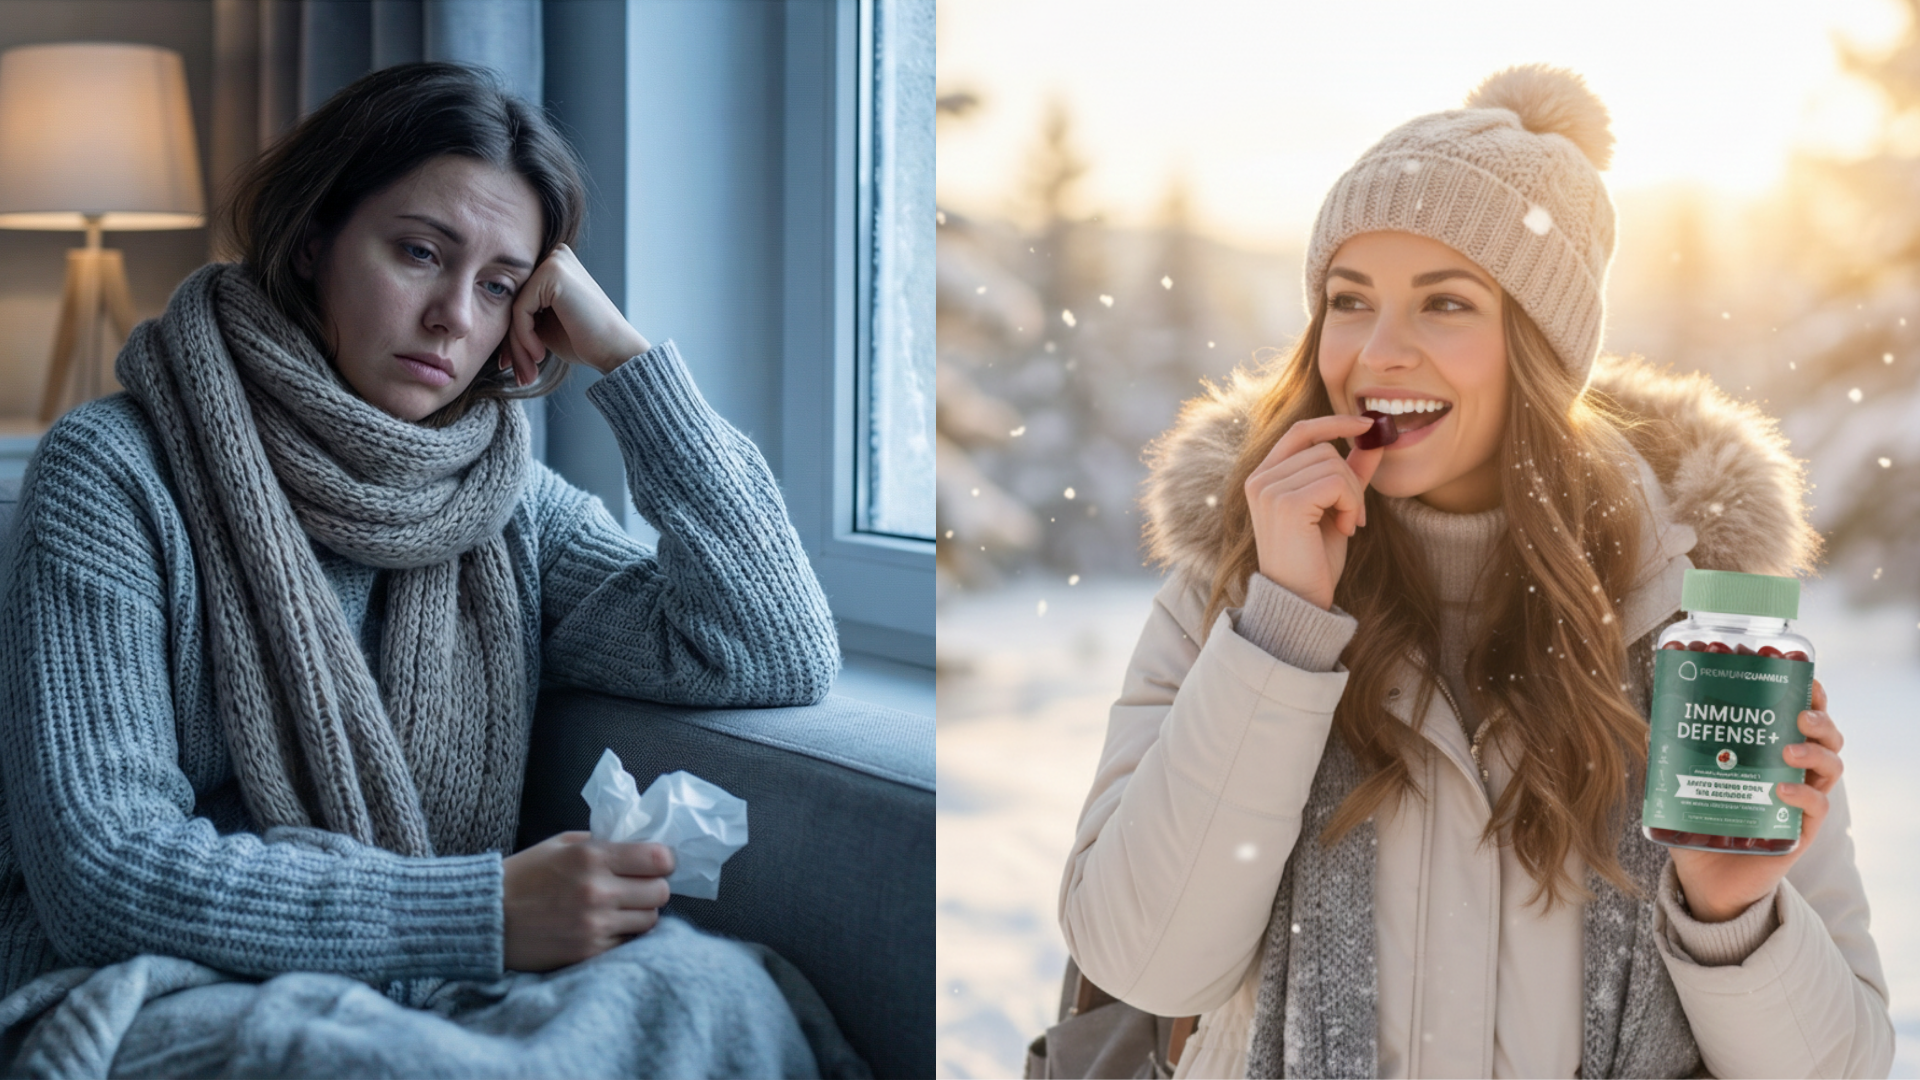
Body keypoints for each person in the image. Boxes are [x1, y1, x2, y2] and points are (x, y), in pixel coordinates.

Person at [0, 63, 860, 1078]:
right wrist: (482, 912)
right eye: (419, 253)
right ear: (316, 238)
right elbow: (104, 873)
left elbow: (771, 649)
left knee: (716, 995)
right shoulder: (111, 472)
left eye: (500, 284)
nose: (457, 315)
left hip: (428, 978)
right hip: (153, 984)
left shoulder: (507, 506)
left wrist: (627, 360)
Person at [1058, 65, 1892, 1079]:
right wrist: (1283, 625)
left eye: (1445, 304)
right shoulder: (1233, 591)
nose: (1378, 352)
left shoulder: (1703, 625)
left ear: (1538, 347)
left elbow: (1838, 1066)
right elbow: (1147, 963)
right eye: (1347, 301)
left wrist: (1731, 908)